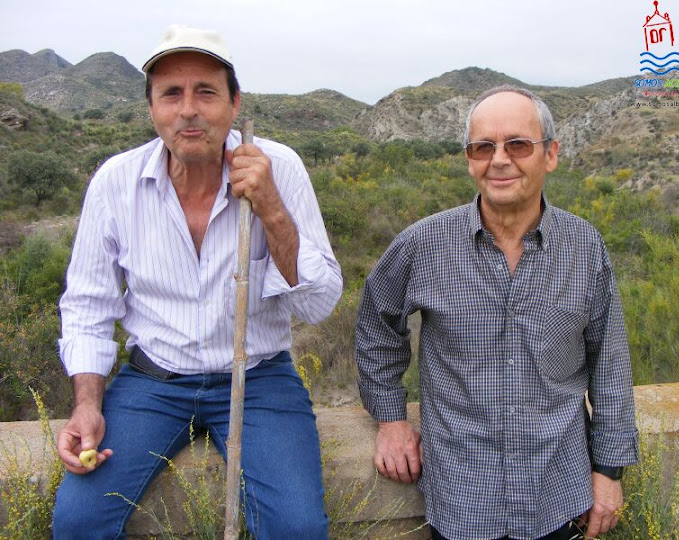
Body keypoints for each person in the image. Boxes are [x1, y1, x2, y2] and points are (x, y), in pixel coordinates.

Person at [52, 25, 342, 540]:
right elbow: (89, 306)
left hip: (258, 379)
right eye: (171, 93)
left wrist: (272, 209)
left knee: (296, 527)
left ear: (235, 103)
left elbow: (318, 305)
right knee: (79, 521)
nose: (188, 109)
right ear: (152, 109)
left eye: (206, 92)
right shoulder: (115, 182)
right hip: (152, 382)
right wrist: (88, 405)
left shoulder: (281, 168)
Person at [355, 85, 638, 540]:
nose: (499, 160)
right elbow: (377, 324)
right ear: (469, 159)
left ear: (550, 154)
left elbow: (610, 362)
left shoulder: (585, 248)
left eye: (518, 145)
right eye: (483, 147)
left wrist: (609, 469)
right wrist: (390, 418)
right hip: (463, 499)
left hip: (559, 495)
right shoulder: (423, 244)